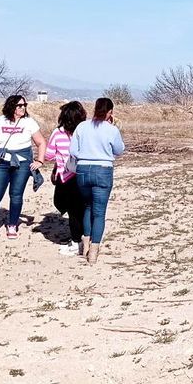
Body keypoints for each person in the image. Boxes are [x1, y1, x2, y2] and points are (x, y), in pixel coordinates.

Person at [0, 95, 46, 240]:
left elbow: (41, 142)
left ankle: (12, 225)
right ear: (11, 107)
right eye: (19, 105)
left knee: (16, 195)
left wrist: (40, 161)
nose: (23, 107)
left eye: (24, 105)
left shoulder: (29, 122)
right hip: (2, 163)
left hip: (22, 163)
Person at [70, 97, 124, 263]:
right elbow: (119, 150)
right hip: (103, 170)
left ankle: (85, 245)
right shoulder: (111, 129)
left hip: (83, 170)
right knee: (99, 212)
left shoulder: (82, 126)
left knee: (87, 207)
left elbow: (73, 150)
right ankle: (94, 251)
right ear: (110, 112)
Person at [44, 101, 87, 256]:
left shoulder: (58, 133)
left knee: (70, 209)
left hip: (66, 176)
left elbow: (48, 155)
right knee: (82, 209)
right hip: (84, 174)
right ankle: (84, 238)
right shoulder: (85, 131)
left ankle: (76, 242)